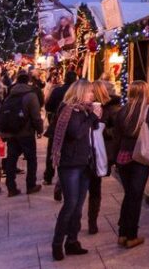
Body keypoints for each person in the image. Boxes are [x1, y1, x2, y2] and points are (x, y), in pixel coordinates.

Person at [49, 79, 102, 262]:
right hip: (70, 163)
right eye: (89, 92)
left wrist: (95, 117)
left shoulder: (85, 111)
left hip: (85, 162)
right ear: (80, 93)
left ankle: (72, 241)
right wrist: (93, 117)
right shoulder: (69, 110)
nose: (92, 95)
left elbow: (91, 131)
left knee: (78, 205)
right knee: (70, 204)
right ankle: (57, 243)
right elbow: (76, 132)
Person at [107, 80, 149, 249]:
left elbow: (116, 137)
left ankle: (122, 233)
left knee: (129, 194)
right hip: (140, 156)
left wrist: (113, 159)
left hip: (123, 156)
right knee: (135, 196)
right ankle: (131, 235)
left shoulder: (123, 111)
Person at [0, 72, 44, 197]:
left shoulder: (10, 95)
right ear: (28, 81)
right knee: (31, 159)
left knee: (12, 159)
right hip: (26, 132)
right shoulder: (30, 95)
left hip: (12, 133)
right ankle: (31, 185)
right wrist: (40, 129)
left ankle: (11, 186)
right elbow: (36, 116)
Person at [87, 79, 121, 235]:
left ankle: (92, 221)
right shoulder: (85, 108)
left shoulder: (111, 109)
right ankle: (90, 221)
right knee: (91, 187)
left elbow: (116, 131)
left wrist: (101, 131)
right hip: (89, 152)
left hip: (100, 153)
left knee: (94, 187)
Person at [44, 69, 78, 188]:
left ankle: (48, 176)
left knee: (53, 149)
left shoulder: (57, 90)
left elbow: (48, 106)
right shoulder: (77, 93)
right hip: (73, 125)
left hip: (57, 122)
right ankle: (63, 178)